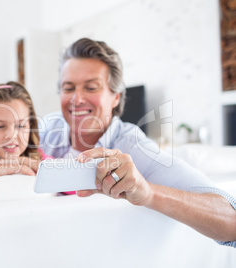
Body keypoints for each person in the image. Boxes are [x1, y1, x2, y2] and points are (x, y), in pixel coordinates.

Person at [39, 38, 236, 247]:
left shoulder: (133, 147)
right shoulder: (47, 130)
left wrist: (149, 193)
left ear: (115, 97)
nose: (76, 99)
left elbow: (231, 221)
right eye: (68, 88)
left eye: (91, 87)